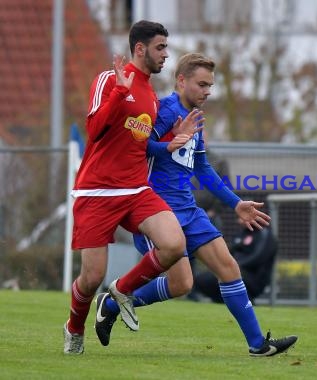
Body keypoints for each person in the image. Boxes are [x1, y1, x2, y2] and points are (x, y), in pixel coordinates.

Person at [93, 52, 298, 357]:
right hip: (157, 212)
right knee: (181, 284)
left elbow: (202, 168)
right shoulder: (163, 110)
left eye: (210, 86)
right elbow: (138, 146)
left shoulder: (196, 119)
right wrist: (170, 142)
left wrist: (236, 203)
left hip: (189, 210)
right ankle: (110, 303)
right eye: (201, 84)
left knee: (229, 267)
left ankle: (258, 344)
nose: (207, 91)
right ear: (181, 80)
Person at [63, 20, 202, 355]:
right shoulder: (110, 79)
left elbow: (139, 145)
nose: (166, 55)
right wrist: (119, 91)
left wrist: (169, 142)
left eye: (167, 48)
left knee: (173, 243)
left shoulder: (151, 96)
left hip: (136, 189)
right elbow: (94, 130)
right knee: (91, 277)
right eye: (160, 48)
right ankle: (74, 326)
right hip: (97, 192)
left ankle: (121, 290)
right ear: (140, 49)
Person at [194, 220, 278, 303]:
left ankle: (247, 304)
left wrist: (235, 266)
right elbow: (229, 251)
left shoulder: (264, 234)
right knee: (201, 280)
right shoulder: (242, 234)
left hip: (255, 277)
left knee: (219, 277)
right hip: (235, 270)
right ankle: (223, 302)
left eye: (242, 219)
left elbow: (258, 257)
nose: (239, 221)